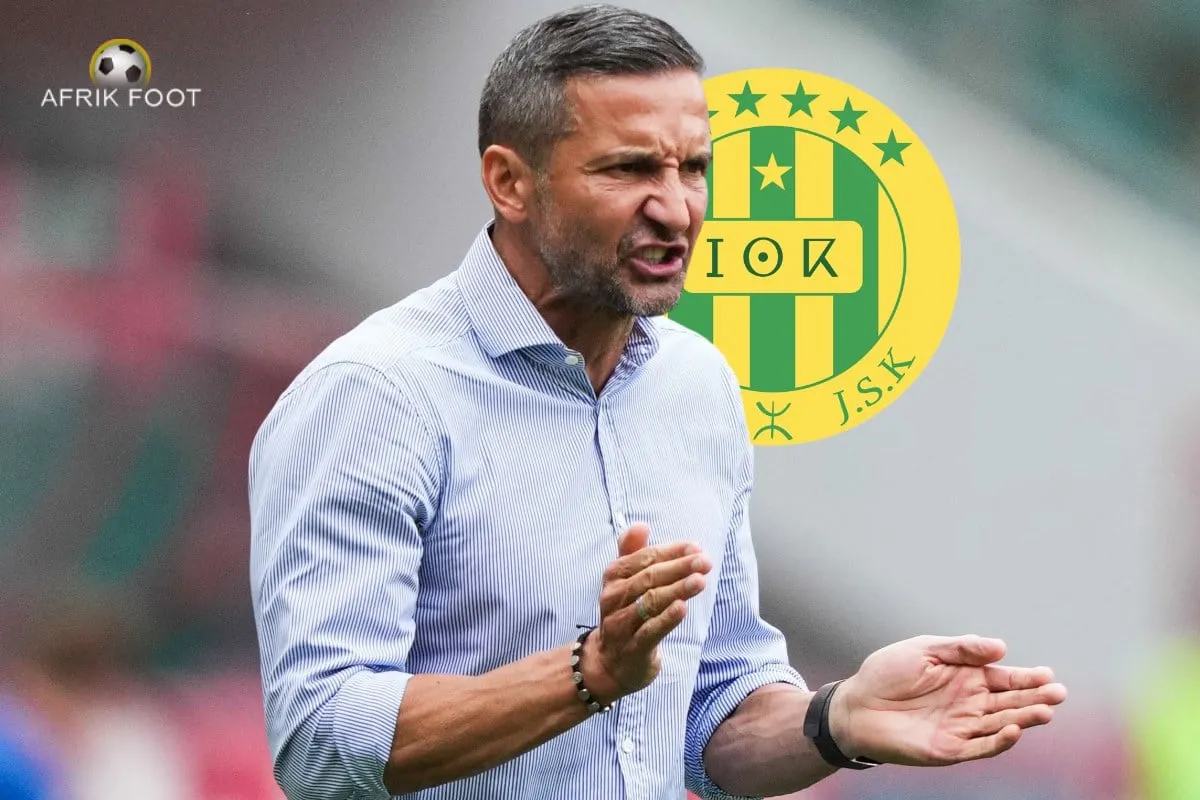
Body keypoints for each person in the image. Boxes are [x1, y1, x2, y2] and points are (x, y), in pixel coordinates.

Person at [247, 5, 1067, 799]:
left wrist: (836, 719)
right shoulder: (377, 397)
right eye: (629, 169)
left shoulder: (697, 386)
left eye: (694, 168)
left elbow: (711, 720)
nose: (677, 210)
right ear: (509, 182)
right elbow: (320, 742)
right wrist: (587, 674)